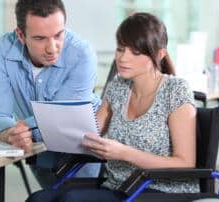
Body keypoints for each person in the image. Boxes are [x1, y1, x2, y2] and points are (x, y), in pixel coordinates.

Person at [26, 12, 199, 202]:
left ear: (159, 54)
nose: (123, 58)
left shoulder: (176, 91)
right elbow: (91, 134)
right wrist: (53, 128)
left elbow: (185, 162)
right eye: (120, 49)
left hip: (161, 191)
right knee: (38, 199)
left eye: (135, 52)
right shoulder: (118, 87)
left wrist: (124, 153)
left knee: (71, 200)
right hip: (118, 188)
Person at [0, 0, 101, 188]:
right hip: (35, 151)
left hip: (83, 154)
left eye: (58, 35)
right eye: (40, 38)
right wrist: (6, 132)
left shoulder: (81, 54)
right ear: (21, 35)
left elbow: (60, 121)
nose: (52, 48)